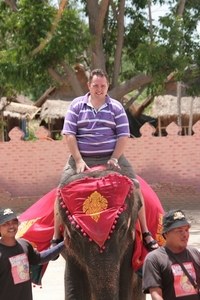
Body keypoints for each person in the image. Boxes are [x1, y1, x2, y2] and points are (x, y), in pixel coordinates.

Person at [51, 68, 158, 251]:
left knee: (136, 186)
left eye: (103, 86)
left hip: (112, 156)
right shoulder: (76, 105)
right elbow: (69, 134)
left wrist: (115, 158)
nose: (99, 89)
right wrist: (77, 160)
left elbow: (123, 135)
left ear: (108, 86)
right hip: (81, 157)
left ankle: (146, 232)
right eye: (95, 85)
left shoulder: (116, 107)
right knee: (61, 188)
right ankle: (56, 235)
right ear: (89, 86)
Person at [0, 208, 66, 300]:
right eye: (5, 224)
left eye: (14, 222)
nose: (11, 226)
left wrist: (63, 244)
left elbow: (40, 258)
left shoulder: (24, 244)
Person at [142, 209, 200, 300]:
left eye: (186, 230)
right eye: (179, 231)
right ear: (166, 233)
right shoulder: (154, 259)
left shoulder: (194, 253)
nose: (185, 234)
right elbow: (156, 295)